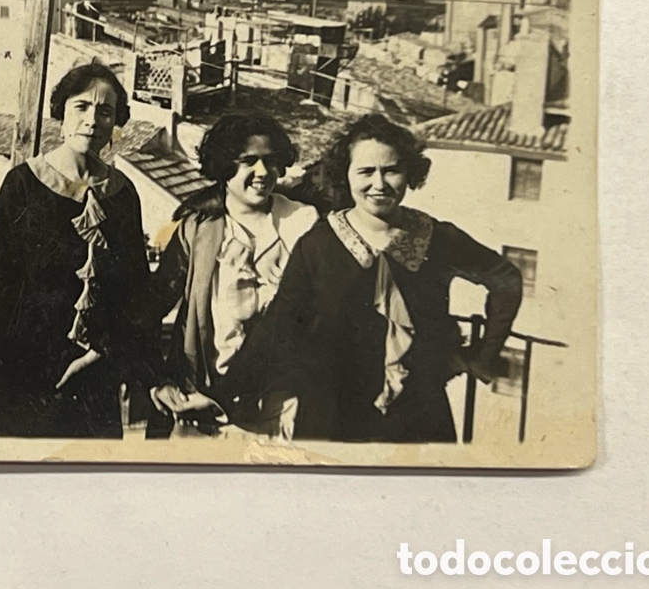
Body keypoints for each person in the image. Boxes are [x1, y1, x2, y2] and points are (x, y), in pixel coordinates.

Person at [272, 113, 523, 442]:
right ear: (345, 175)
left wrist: (483, 355)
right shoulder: (318, 244)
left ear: (411, 174)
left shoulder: (437, 237)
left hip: (417, 411)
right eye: (365, 171)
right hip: (331, 410)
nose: (379, 184)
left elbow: (506, 278)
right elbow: (282, 322)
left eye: (392, 170)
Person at [0, 63, 153, 438]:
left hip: (97, 371)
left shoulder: (123, 194)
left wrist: (104, 354)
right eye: (82, 107)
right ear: (61, 112)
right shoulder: (23, 184)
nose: (93, 120)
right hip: (32, 370)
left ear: (115, 124)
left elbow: (135, 289)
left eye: (105, 111)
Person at [148, 115, 318, 439]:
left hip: (279, 411)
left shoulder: (302, 224)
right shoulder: (196, 230)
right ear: (224, 166)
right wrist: (159, 381)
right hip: (201, 410)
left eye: (270, 161)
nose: (262, 172)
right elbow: (148, 308)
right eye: (248, 162)